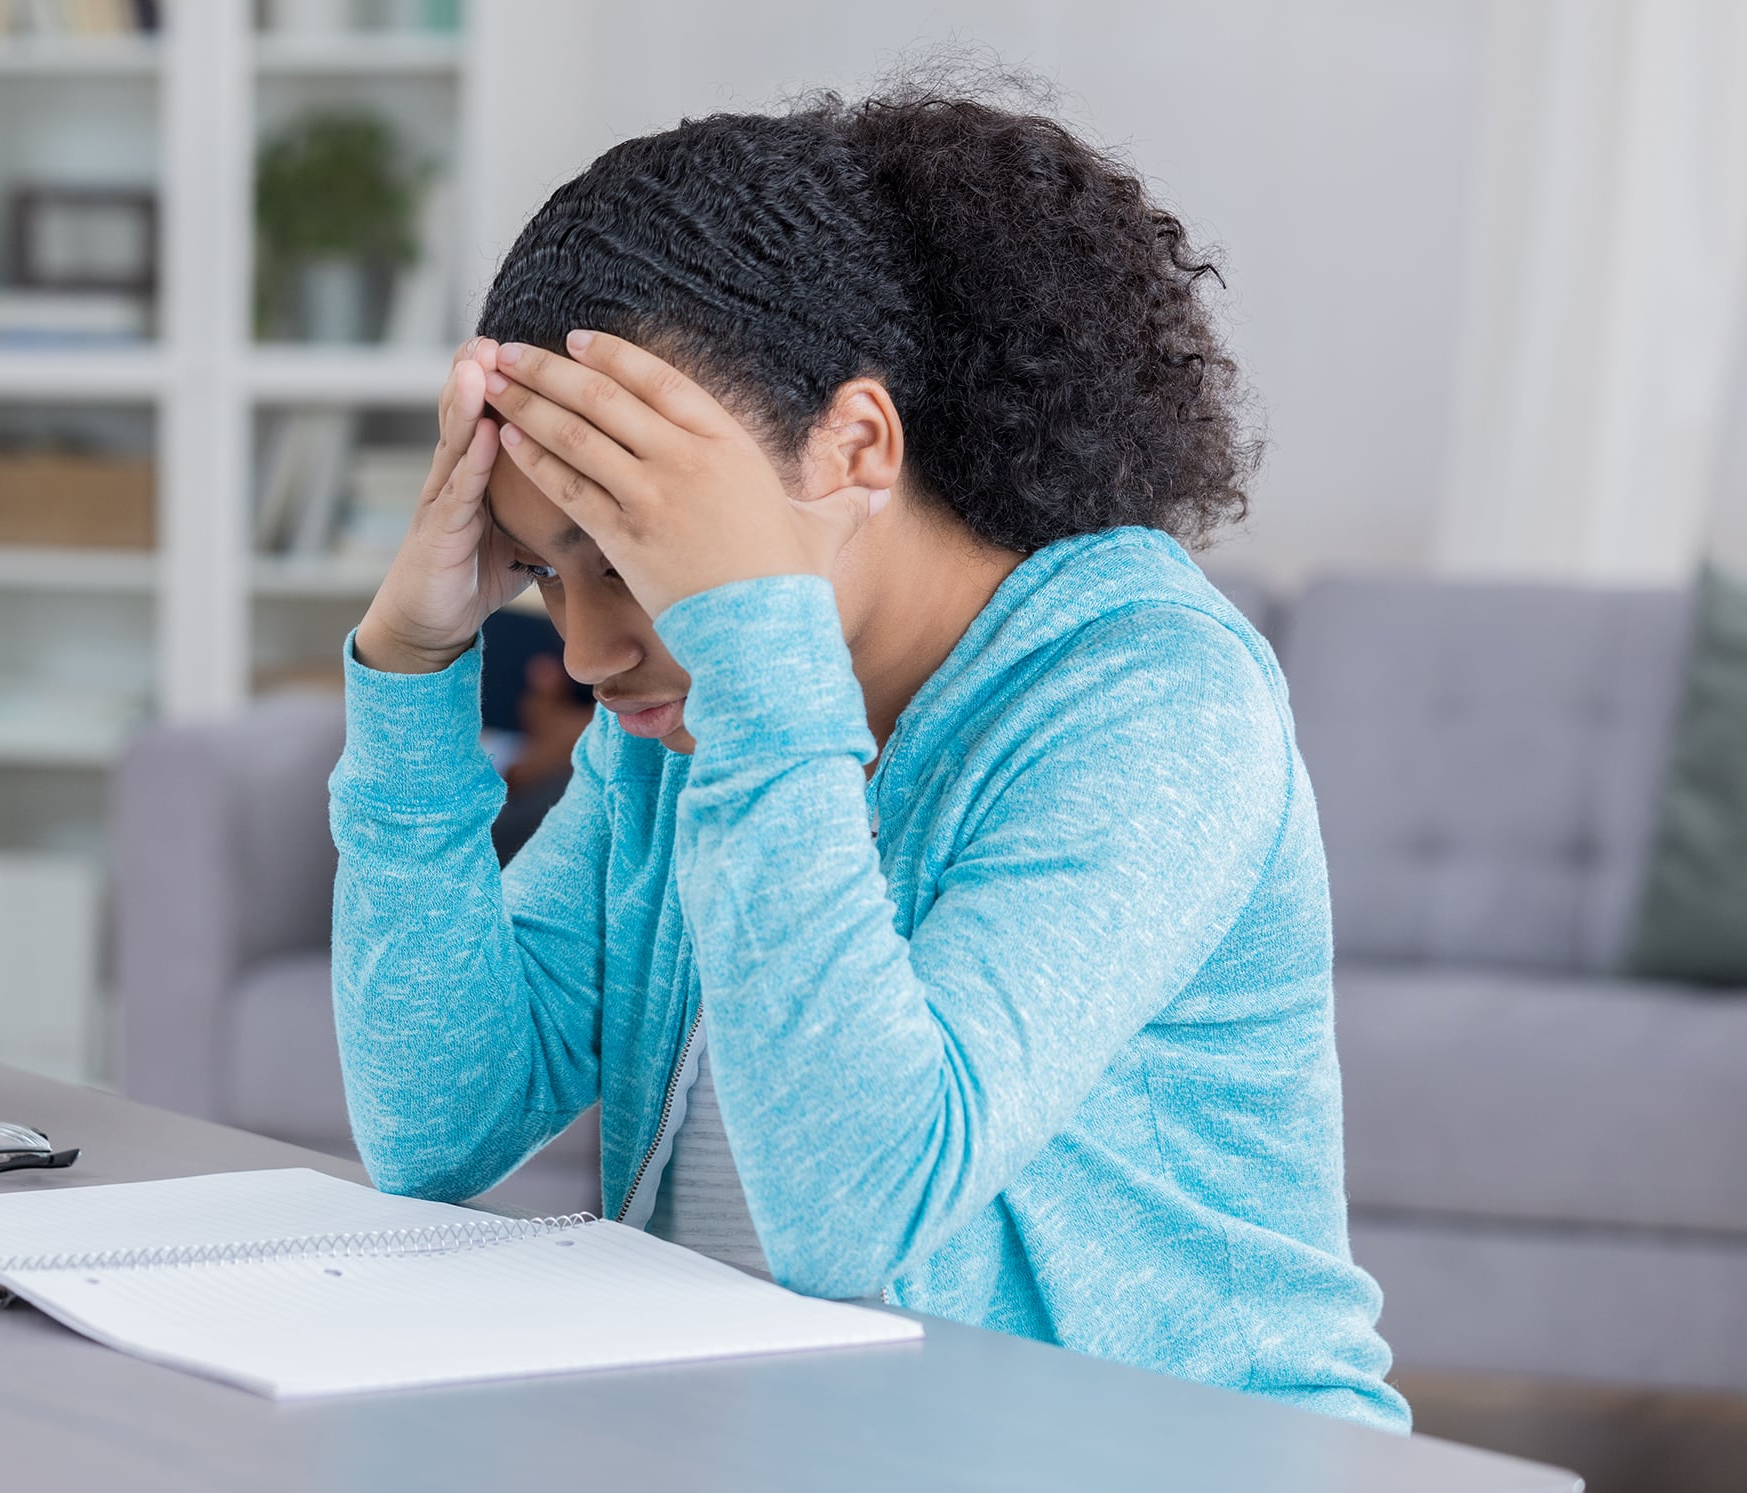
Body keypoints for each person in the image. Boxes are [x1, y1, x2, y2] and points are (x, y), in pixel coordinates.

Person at [326, 77, 1409, 1431]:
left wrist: (753, 650)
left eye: (637, 556)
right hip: (794, 1437)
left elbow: (864, 1207)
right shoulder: (681, 722)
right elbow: (439, 1121)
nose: (590, 652)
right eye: (549, 572)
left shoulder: (1154, 694)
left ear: (857, 445)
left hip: (1181, 1453)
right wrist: (413, 667)